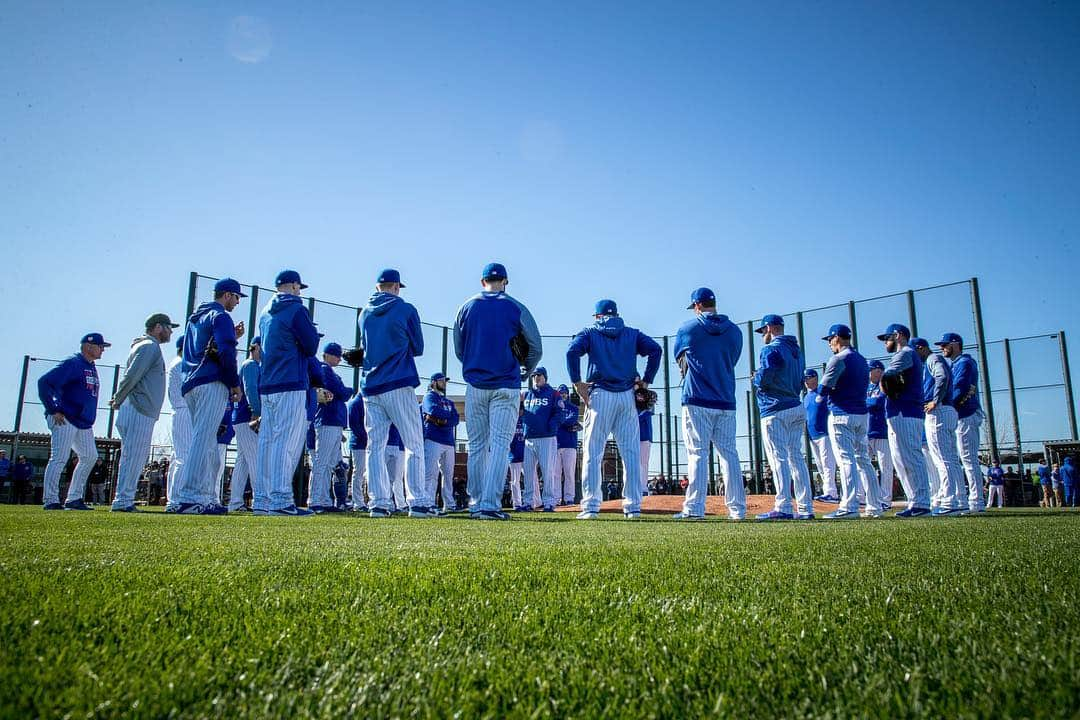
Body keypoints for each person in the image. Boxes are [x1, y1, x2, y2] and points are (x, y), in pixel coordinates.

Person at [454, 262, 542, 521]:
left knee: (478, 446)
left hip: (475, 384)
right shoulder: (515, 306)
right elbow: (536, 347)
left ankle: (475, 503)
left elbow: (460, 349)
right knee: (500, 446)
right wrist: (526, 368)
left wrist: (475, 365)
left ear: (483, 282)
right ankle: (490, 505)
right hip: (506, 384)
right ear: (505, 281)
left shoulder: (466, 307)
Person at [568, 299, 662, 520]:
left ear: (597, 316)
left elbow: (572, 352)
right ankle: (633, 507)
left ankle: (591, 506)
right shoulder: (631, 333)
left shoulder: (591, 331)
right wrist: (646, 381)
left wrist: (576, 381)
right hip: (627, 396)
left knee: (593, 452)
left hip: (600, 396)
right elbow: (656, 350)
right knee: (631, 454)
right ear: (617, 314)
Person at [358, 269, 433, 518]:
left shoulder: (364, 313)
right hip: (399, 382)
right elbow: (418, 347)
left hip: (371, 385)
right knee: (413, 443)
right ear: (397, 287)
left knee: (375, 446)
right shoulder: (406, 309)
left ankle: (378, 503)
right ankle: (417, 501)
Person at [168, 278, 243, 515]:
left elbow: (204, 348)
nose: (237, 302)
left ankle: (204, 497)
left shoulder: (196, 318)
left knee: (207, 441)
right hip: (211, 382)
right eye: (237, 297)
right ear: (228, 295)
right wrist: (234, 383)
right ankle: (189, 497)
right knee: (202, 439)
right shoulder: (220, 316)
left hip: (191, 382)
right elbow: (226, 350)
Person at [671, 288, 743, 520]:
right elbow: (732, 360)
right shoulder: (735, 331)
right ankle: (737, 509)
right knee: (729, 454)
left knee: (698, 453)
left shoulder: (688, 328)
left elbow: (679, 358)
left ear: (697, 306)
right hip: (725, 399)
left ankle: (694, 508)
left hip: (696, 398)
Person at [255, 270, 320, 517]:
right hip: (290, 380)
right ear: (293, 285)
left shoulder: (264, 312)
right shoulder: (296, 308)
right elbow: (311, 346)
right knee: (286, 442)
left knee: (267, 443)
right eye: (298, 287)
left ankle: (263, 500)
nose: (299, 291)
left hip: (268, 382)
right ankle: (281, 500)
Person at [109, 312, 178, 512]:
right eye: (168, 327)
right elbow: (133, 375)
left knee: (133, 456)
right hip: (138, 407)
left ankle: (123, 499)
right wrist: (118, 398)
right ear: (158, 327)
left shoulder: (146, 346)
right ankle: (123, 501)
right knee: (135, 456)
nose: (170, 332)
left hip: (136, 407)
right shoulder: (149, 346)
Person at [817, 324, 883, 520]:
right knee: (864, 460)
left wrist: (824, 393)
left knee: (846, 460)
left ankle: (849, 506)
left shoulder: (838, 358)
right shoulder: (863, 360)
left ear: (837, 338)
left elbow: (823, 389)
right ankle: (874, 505)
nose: (829, 343)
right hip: (862, 415)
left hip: (841, 414)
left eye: (830, 339)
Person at [37, 332, 110, 510]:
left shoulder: (91, 366)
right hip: (66, 418)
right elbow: (44, 382)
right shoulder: (73, 363)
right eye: (100, 346)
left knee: (90, 456)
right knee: (59, 458)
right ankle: (51, 500)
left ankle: (74, 498)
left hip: (83, 421)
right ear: (88, 346)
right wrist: (53, 409)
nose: (102, 350)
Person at [752, 315, 813, 521]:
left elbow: (766, 377)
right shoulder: (796, 349)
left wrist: (756, 378)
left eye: (763, 331)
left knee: (778, 457)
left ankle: (783, 506)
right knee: (796, 457)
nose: (762, 336)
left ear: (770, 328)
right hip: (796, 404)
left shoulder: (771, 349)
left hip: (774, 407)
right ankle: (805, 507)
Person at [878, 323, 932, 517]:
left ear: (898, 335)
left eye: (888, 338)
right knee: (901, 460)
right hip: (899, 411)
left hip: (905, 410)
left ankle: (922, 503)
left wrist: (884, 385)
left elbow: (886, 377)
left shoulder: (905, 353)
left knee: (911, 457)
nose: (886, 342)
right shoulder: (905, 355)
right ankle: (915, 502)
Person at [911, 337, 966, 516]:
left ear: (920, 348)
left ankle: (950, 501)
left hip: (939, 410)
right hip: (947, 410)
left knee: (942, 459)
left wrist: (935, 400)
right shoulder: (933, 360)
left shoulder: (932, 359)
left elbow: (941, 376)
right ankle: (959, 500)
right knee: (950, 459)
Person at [935, 333, 986, 514]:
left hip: (966, 413)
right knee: (962, 459)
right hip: (959, 414)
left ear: (955, 344)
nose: (942, 348)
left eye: (945, 345)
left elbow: (960, 387)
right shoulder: (956, 363)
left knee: (968, 458)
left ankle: (976, 501)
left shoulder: (964, 362)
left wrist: (944, 404)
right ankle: (965, 498)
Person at [309, 342, 353, 513]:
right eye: (336, 355)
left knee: (329, 464)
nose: (339, 358)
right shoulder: (324, 369)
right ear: (327, 354)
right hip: (327, 420)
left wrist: (344, 391)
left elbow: (340, 392)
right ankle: (315, 500)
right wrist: (346, 390)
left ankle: (325, 500)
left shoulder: (330, 371)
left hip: (334, 421)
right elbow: (339, 392)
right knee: (322, 461)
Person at [521, 367, 562, 512]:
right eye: (533, 376)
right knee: (528, 472)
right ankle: (528, 502)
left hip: (546, 437)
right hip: (529, 438)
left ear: (545, 377)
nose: (536, 378)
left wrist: (552, 426)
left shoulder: (553, 393)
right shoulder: (527, 395)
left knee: (547, 471)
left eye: (539, 375)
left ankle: (549, 502)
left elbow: (559, 412)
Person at [228, 337, 261, 512]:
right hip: (247, 417)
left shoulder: (253, 365)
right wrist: (257, 410)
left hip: (241, 418)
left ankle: (235, 502)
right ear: (256, 347)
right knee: (255, 458)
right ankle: (261, 501)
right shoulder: (251, 365)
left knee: (243, 462)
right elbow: (250, 390)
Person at [422, 372, 460, 513]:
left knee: (448, 474)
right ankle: (428, 502)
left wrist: (440, 420)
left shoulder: (449, 401)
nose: (444, 383)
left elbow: (455, 419)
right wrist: (444, 418)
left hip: (449, 441)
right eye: (441, 380)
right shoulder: (429, 397)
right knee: (431, 473)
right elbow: (432, 410)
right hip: (433, 439)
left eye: (445, 381)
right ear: (433, 382)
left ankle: (449, 504)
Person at [805, 369, 839, 502]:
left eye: (809, 378)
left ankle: (832, 492)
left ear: (815, 377)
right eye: (805, 379)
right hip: (813, 436)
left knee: (828, 464)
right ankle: (828, 492)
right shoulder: (806, 396)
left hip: (825, 433)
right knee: (820, 465)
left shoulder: (822, 392)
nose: (807, 381)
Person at [866, 360, 893, 510]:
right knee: (864, 466)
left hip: (882, 432)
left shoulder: (885, 384)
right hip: (867, 432)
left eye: (871, 370)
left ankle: (885, 500)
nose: (868, 373)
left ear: (879, 370)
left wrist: (866, 402)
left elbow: (878, 402)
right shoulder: (866, 387)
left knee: (886, 467)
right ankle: (870, 498)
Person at [165, 338, 190, 502]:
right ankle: (177, 498)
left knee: (178, 457)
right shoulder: (181, 363)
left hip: (181, 411)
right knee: (184, 457)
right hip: (184, 410)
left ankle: (173, 497)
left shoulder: (177, 362)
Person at [554, 385, 579, 505]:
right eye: (561, 393)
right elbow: (557, 421)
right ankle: (556, 499)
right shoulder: (554, 407)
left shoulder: (573, 407)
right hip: (555, 444)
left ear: (568, 394)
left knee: (569, 473)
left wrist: (560, 421)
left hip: (570, 445)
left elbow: (572, 420)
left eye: (565, 393)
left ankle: (569, 498)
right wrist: (563, 422)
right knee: (555, 474)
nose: (563, 395)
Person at [346, 394, 368, 512]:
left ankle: (362, 501)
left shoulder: (364, 402)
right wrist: (367, 438)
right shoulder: (355, 403)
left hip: (366, 444)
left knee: (363, 474)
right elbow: (355, 426)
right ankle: (357, 502)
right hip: (359, 444)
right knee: (358, 472)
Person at [637, 384, 654, 499]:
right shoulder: (630, 400)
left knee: (643, 463)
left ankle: (643, 488)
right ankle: (632, 488)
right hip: (632, 436)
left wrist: (634, 417)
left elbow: (648, 411)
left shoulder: (648, 399)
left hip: (645, 436)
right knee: (632, 464)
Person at [386, 423, 407, 512]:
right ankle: (388, 502)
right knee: (387, 477)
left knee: (396, 477)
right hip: (387, 443)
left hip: (399, 445)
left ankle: (399, 503)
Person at [508, 408, 525, 509]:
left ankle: (533, 502)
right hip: (513, 454)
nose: (520, 411)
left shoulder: (526, 420)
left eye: (521, 408)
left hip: (526, 454)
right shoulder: (510, 420)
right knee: (515, 480)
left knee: (531, 479)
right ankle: (517, 503)